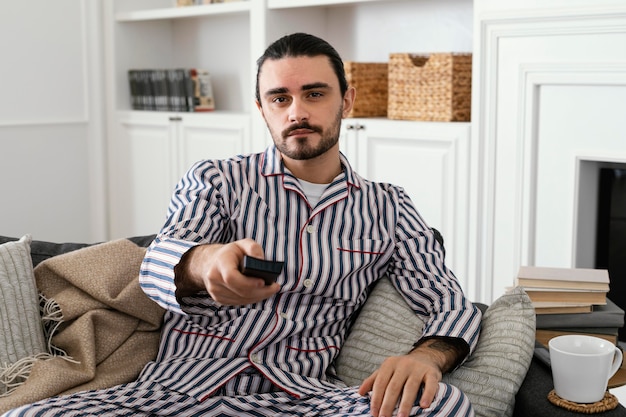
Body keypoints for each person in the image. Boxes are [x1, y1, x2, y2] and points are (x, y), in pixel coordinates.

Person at [4, 32, 481, 417]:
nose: (297, 111)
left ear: (347, 100)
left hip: (303, 399)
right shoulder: (217, 180)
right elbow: (156, 267)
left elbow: (449, 302)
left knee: (443, 403)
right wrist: (204, 262)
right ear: (262, 110)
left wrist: (426, 358)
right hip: (175, 394)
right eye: (279, 98)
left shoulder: (390, 208)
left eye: (314, 93)